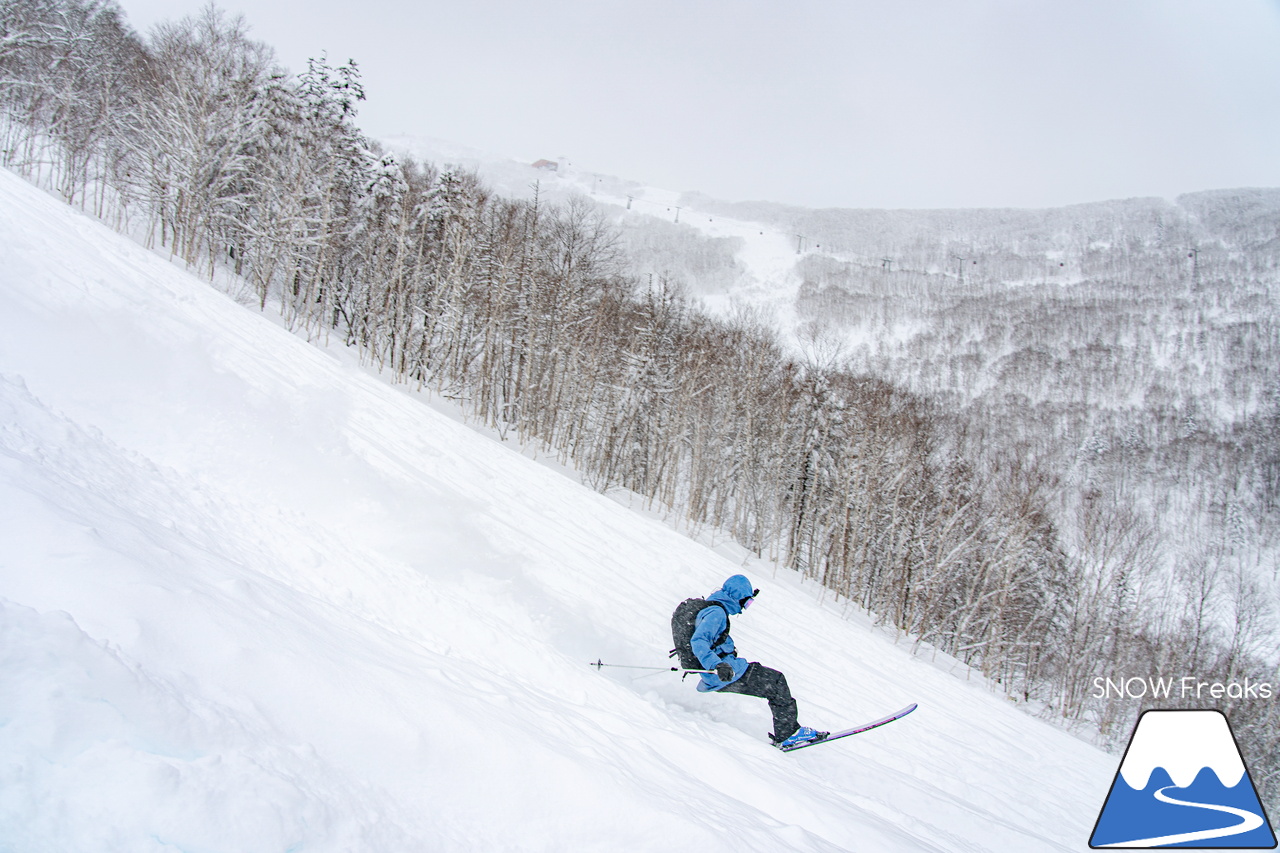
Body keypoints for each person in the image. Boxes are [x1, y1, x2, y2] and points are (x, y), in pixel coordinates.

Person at [689, 574, 827, 749]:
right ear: (737, 597)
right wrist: (717, 665)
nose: (745, 608)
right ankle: (788, 734)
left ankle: (787, 732)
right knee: (776, 682)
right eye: (747, 602)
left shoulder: (715, 608)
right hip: (725, 673)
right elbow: (698, 641)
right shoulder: (716, 613)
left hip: (726, 670)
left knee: (773, 682)